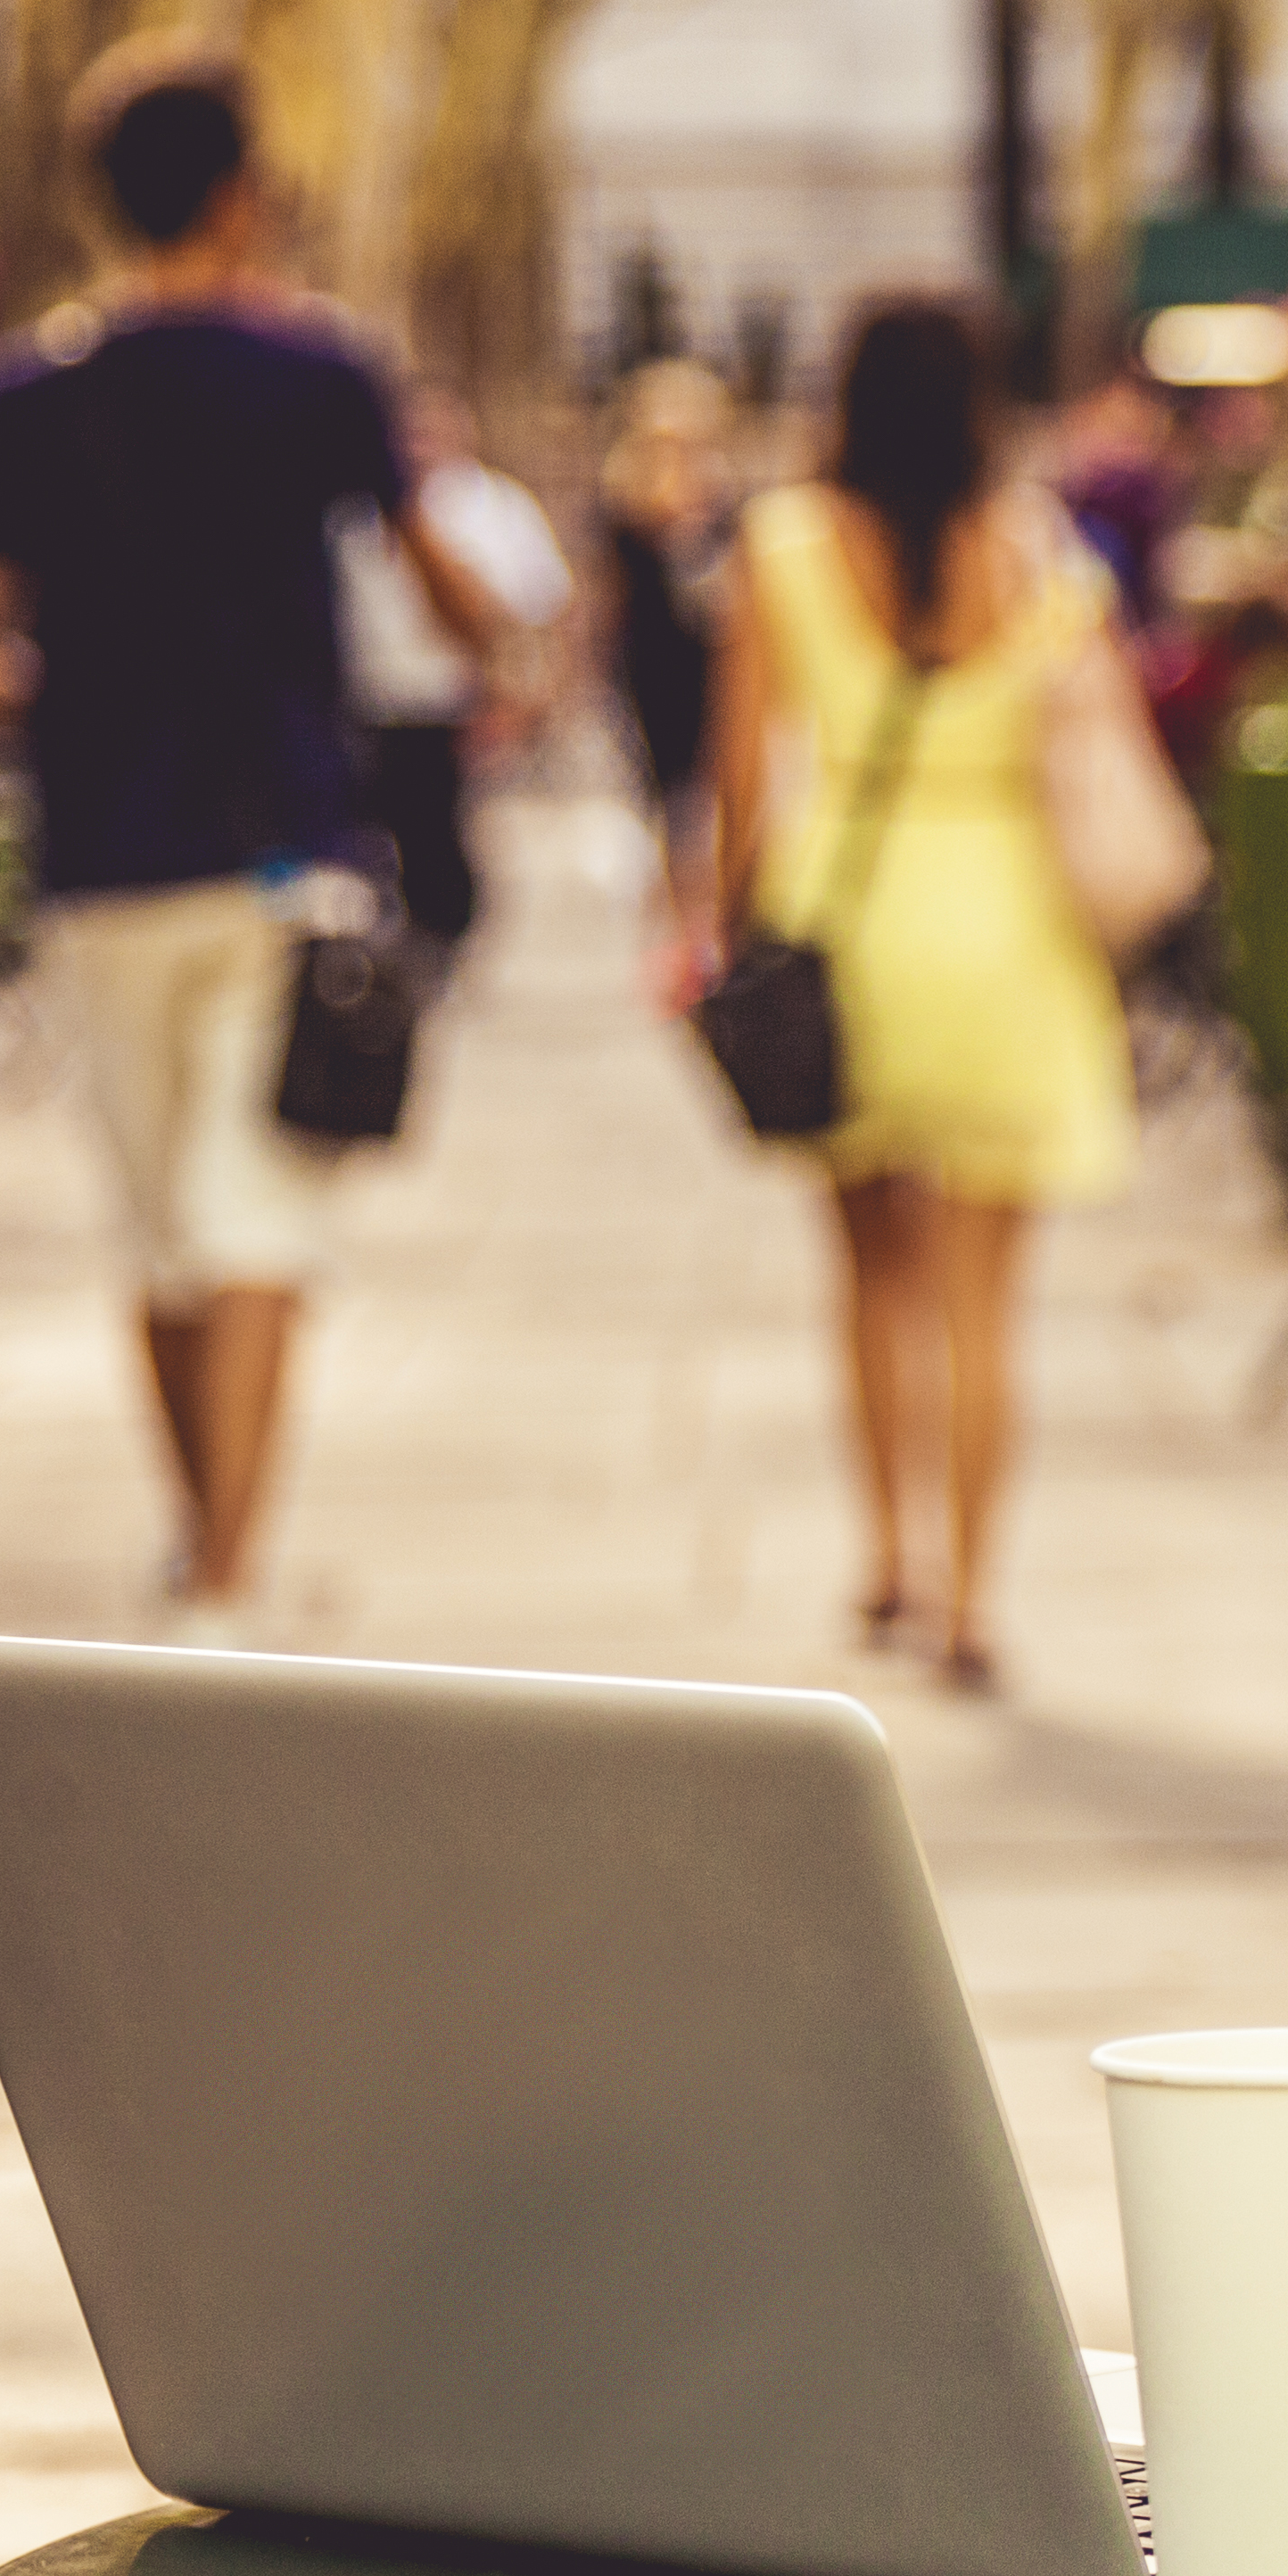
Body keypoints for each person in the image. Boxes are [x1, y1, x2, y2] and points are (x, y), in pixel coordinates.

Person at [0, 39, 494, 1644]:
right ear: (240, 196)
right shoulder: (319, 376)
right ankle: (229, 1569)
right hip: (283, 841)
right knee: (259, 1220)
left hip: (101, 850)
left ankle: (198, 1541)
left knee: (165, 1228)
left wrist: (71, 683)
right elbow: (442, 585)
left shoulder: (21, 398)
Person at [696, 297, 1132, 1695]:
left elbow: (742, 781)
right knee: (985, 1303)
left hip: (852, 926)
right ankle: (976, 1599)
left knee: (871, 1274)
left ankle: (891, 1555)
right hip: (1005, 928)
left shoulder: (784, 547)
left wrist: (723, 925)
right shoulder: (1040, 552)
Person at [341, 382, 574, 956]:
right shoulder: (357, 510)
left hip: (449, 702)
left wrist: (525, 698)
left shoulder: (495, 506)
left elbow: (541, 608)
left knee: (437, 834)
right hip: (369, 704)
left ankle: (439, 940)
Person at [597, 358, 729, 884]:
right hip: (652, 656)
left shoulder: (720, 489)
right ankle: (677, 901)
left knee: (706, 791)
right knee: (667, 792)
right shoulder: (626, 493)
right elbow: (615, 588)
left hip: (708, 655)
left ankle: (702, 895)